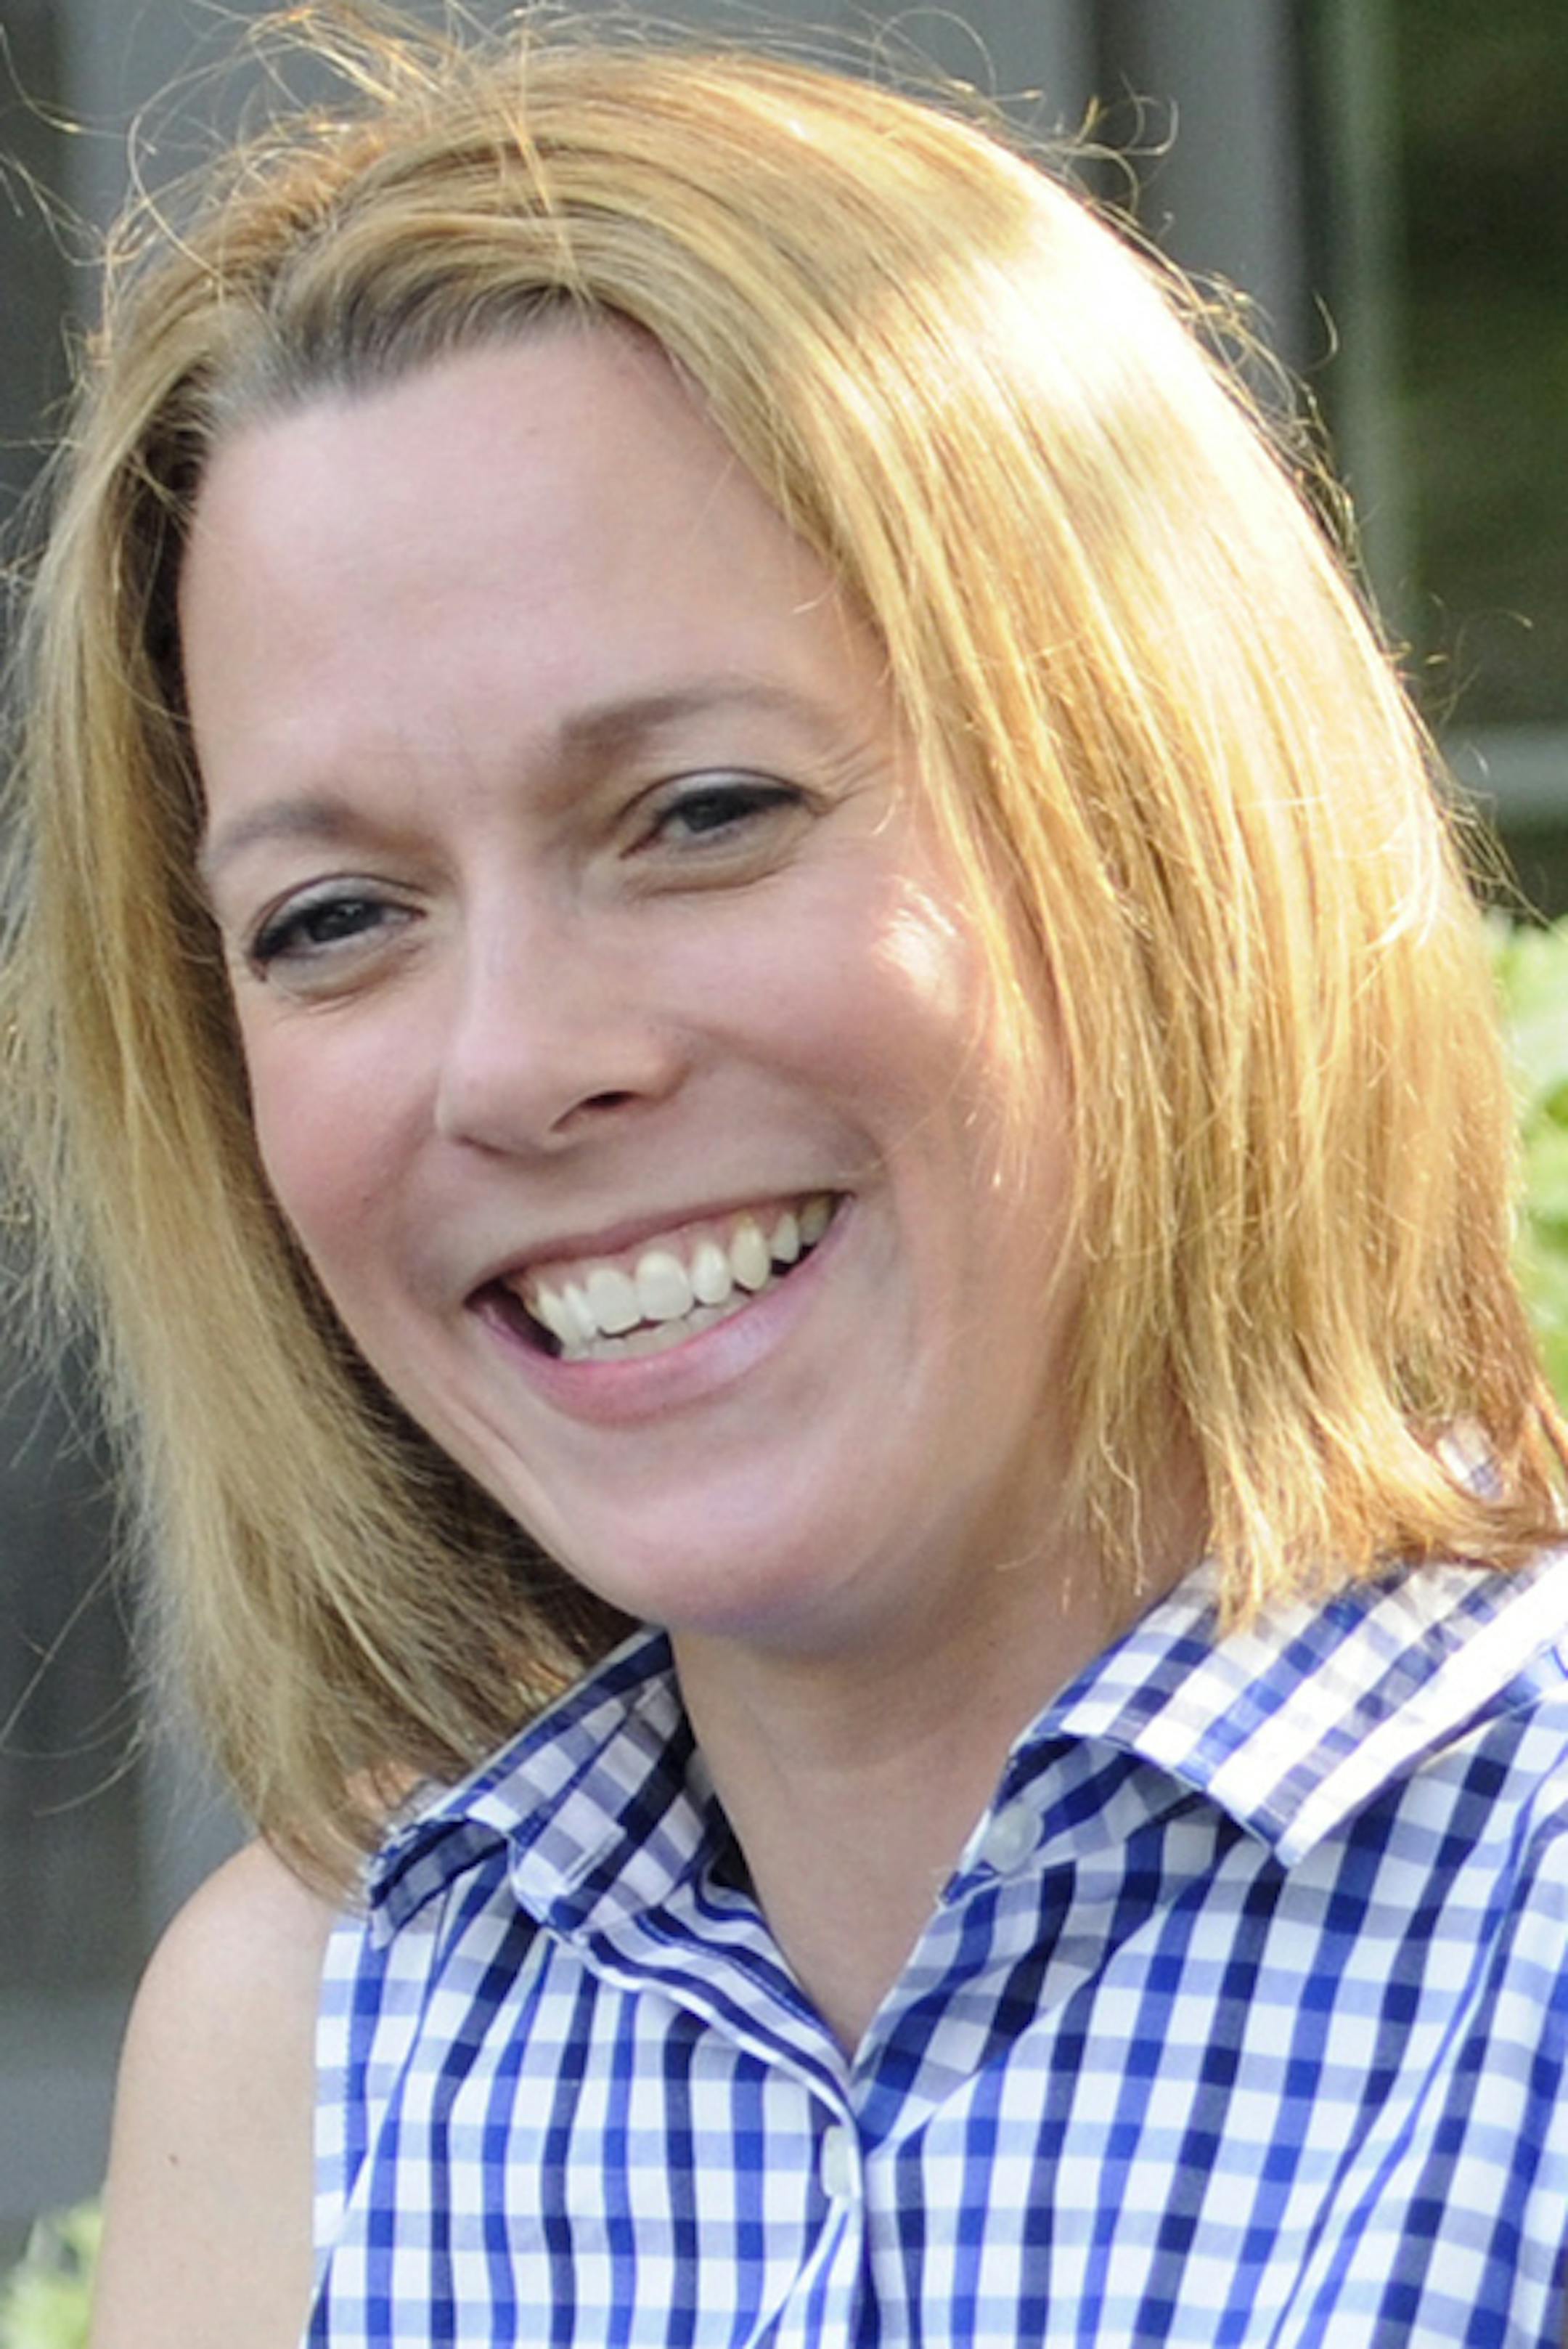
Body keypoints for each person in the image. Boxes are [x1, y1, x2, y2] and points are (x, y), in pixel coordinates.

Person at [5, 7, 1568, 2343]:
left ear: (1155, 831)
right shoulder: (307, 2059)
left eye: (703, 812)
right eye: (334, 919)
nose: (521, 1064)